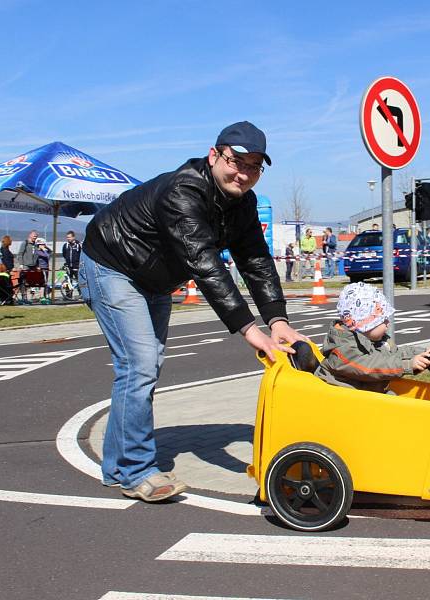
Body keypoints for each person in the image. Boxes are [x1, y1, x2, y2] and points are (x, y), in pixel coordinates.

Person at [79, 121, 306, 502]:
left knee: (141, 368)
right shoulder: (183, 191)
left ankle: (119, 465)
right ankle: (137, 471)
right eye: (237, 162)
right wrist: (251, 331)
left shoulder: (242, 203)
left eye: (254, 167)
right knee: (140, 364)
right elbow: (204, 263)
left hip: (154, 279)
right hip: (112, 266)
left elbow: (255, 260)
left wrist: (278, 320)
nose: (244, 174)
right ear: (215, 155)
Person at [315, 282, 430, 393]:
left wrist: (422, 353)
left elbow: (394, 354)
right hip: (344, 401)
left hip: (367, 394)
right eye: (383, 320)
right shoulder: (343, 349)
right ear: (365, 324)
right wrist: (407, 365)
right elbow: (370, 368)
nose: (388, 323)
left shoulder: (376, 341)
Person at [15, 230, 39, 304]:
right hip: (25, 266)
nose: (35, 238)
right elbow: (20, 254)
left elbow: (36, 256)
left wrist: (37, 265)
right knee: (23, 282)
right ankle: (23, 297)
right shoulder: (25, 243)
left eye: (36, 236)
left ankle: (31, 297)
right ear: (30, 235)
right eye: (34, 236)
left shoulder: (35, 245)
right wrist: (21, 264)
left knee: (32, 282)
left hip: (33, 266)